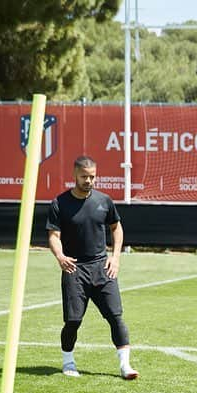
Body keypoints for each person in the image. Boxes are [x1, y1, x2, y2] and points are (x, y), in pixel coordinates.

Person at [46, 156, 139, 380]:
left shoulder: (104, 201)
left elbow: (117, 229)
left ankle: (125, 366)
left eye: (92, 176)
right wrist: (60, 256)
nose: (89, 180)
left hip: (102, 267)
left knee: (115, 317)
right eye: (84, 176)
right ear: (75, 175)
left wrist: (115, 257)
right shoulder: (60, 203)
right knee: (73, 321)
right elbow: (53, 235)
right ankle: (68, 362)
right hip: (74, 269)